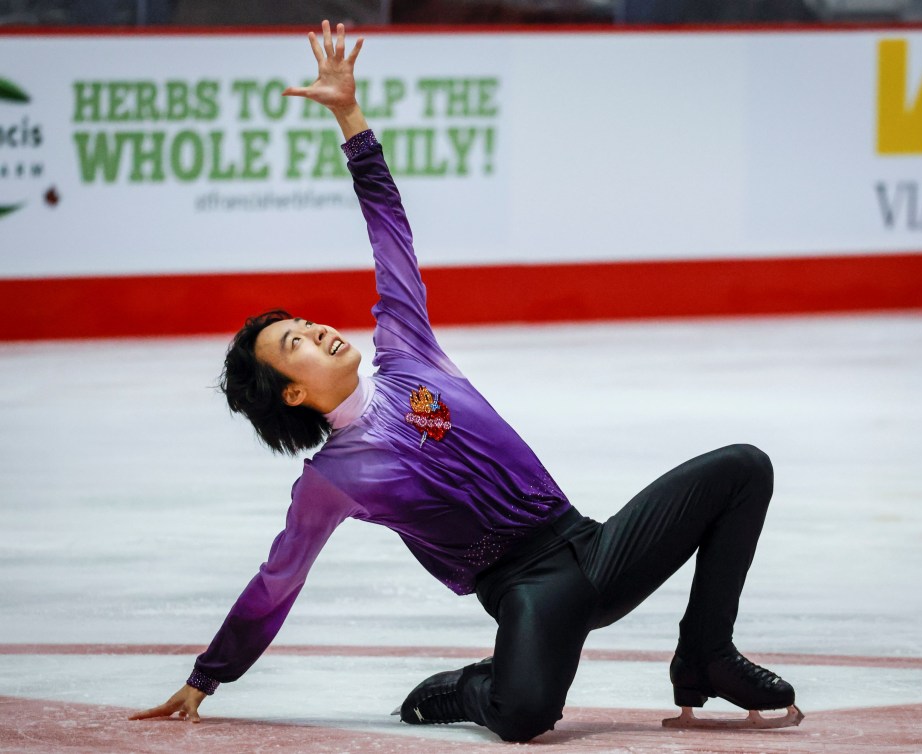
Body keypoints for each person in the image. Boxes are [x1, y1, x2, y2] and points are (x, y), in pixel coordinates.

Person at [130, 21, 801, 741]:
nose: (319, 330)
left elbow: (389, 228)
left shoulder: (406, 349)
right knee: (525, 718)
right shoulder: (332, 480)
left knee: (742, 468)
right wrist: (208, 675)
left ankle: (706, 654)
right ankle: (463, 688)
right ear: (291, 393)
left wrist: (350, 117)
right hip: (525, 589)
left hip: (591, 545)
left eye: (304, 321)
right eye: (295, 343)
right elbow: (277, 580)